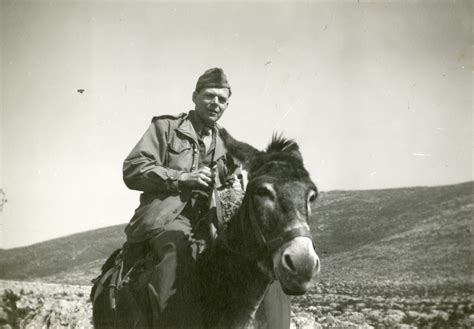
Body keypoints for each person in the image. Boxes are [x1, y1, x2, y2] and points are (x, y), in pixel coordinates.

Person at [121, 68, 290, 328]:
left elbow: (238, 181)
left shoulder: (227, 143)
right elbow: (133, 168)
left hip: (215, 223)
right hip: (168, 218)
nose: (216, 104)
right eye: (210, 96)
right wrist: (181, 179)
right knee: (178, 255)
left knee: (265, 260)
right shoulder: (166, 128)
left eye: (222, 100)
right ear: (194, 96)